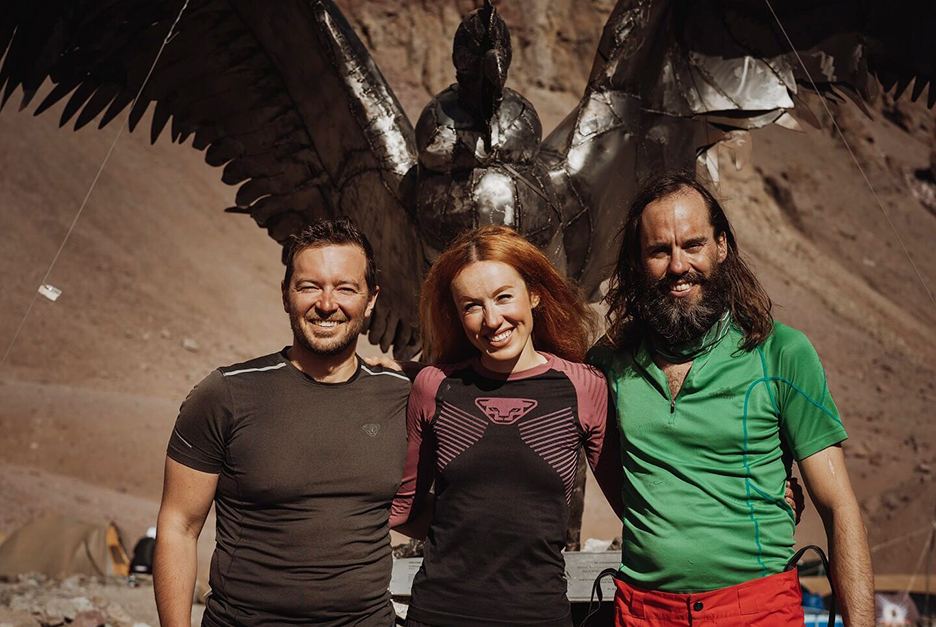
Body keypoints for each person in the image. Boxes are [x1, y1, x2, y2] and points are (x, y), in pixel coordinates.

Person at [588, 171, 874, 626]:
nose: (677, 265)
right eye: (659, 250)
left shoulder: (781, 353)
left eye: (693, 244)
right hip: (643, 612)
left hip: (756, 610)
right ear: (638, 261)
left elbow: (839, 505)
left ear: (721, 245)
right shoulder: (608, 364)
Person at [153, 219, 410, 627]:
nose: (327, 304)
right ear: (286, 295)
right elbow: (179, 526)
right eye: (309, 286)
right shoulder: (225, 395)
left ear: (372, 299)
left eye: (346, 288)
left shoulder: (402, 395)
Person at [389, 226, 626, 626]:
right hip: (437, 614)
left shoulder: (584, 386)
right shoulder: (434, 386)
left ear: (533, 294)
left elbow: (631, 505)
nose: (492, 319)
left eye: (503, 297)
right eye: (472, 306)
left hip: (538, 615)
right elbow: (403, 509)